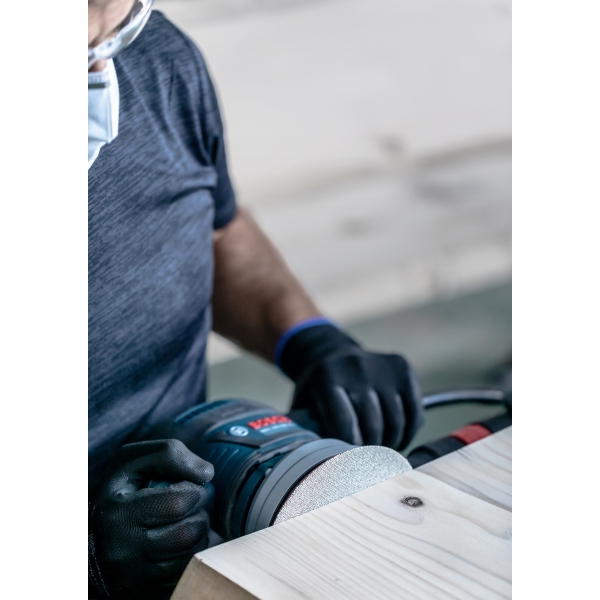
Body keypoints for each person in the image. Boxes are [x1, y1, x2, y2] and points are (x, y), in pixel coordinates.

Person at [88, 1, 424, 598]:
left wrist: (309, 338)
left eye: (113, 25)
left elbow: (213, 227)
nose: (100, 68)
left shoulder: (154, 53)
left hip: (183, 508)